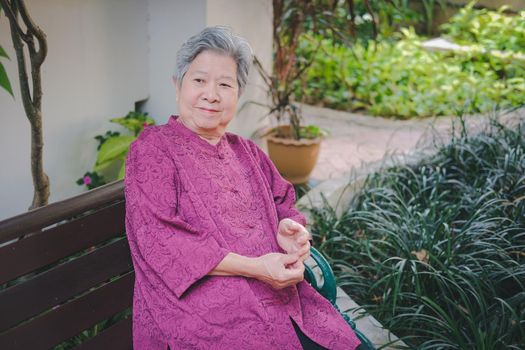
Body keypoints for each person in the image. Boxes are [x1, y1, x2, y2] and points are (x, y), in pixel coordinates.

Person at [125, 26, 361, 350]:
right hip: (206, 315)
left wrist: (290, 231)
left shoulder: (246, 151)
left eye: (225, 84)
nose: (212, 94)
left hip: (284, 300)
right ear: (177, 86)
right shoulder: (152, 150)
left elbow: (283, 204)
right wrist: (257, 268)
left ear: (237, 94)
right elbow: (162, 241)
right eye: (199, 81)